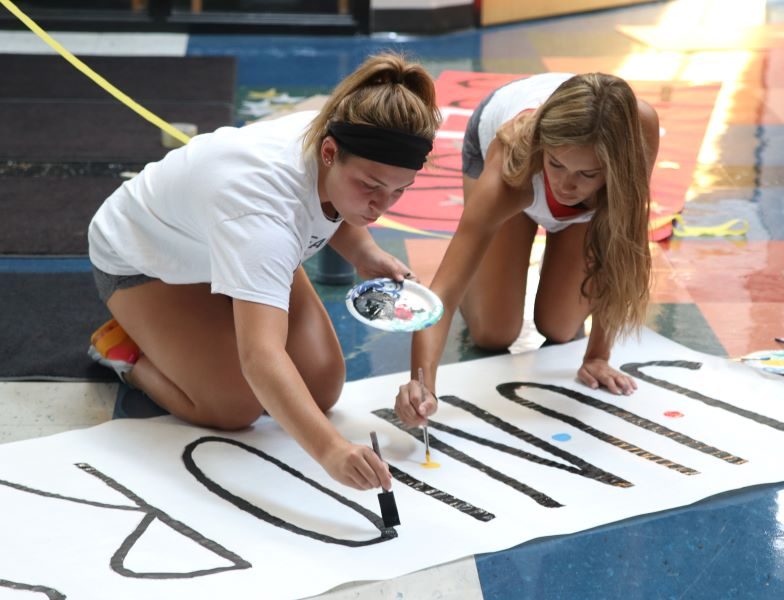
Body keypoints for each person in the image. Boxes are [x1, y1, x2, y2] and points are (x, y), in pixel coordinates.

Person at [87, 52, 442, 491]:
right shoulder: (264, 214)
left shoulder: (336, 132)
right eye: (371, 186)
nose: (381, 206)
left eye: (397, 191)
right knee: (231, 406)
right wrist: (331, 450)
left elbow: (332, 205)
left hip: (229, 243)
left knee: (323, 386)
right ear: (329, 152)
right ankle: (125, 350)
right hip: (149, 262)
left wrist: (364, 252)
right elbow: (261, 357)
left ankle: (191, 333)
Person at [394, 71, 660, 427]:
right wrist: (422, 384)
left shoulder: (638, 129)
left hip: (578, 192)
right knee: (493, 333)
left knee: (560, 328)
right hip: (517, 173)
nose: (566, 184)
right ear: (543, 147)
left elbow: (623, 243)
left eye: (587, 173)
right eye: (557, 164)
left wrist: (598, 353)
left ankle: (573, 193)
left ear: (615, 166)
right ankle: (529, 205)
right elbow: (444, 290)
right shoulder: (509, 165)